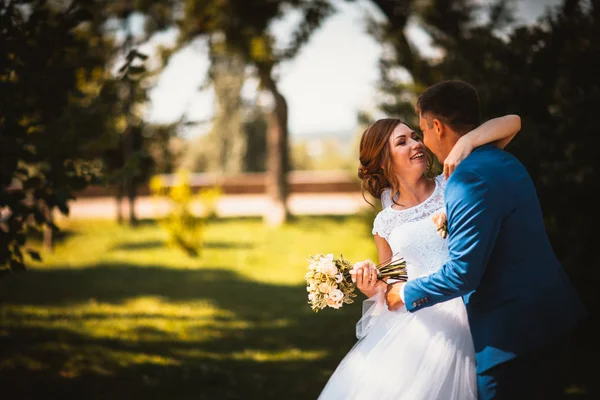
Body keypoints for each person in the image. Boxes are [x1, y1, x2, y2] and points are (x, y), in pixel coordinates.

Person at [384, 80, 587, 399]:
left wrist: (406, 292)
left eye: (421, 130)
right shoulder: (499, 159)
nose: (421, 141)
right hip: (549, 319)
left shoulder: (468, 179)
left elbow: (464, 273)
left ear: (437, 126)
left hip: (512, 338)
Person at [316, 112, 522, 400]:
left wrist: (466, 143)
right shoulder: (385, 223)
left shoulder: (454, 181)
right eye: (402, 141)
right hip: (423, 326)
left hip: (479, 306)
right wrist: (372, 287)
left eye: (415, 136)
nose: (416, 144)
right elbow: (393, 291)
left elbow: (512, 123)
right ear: (385, 162)